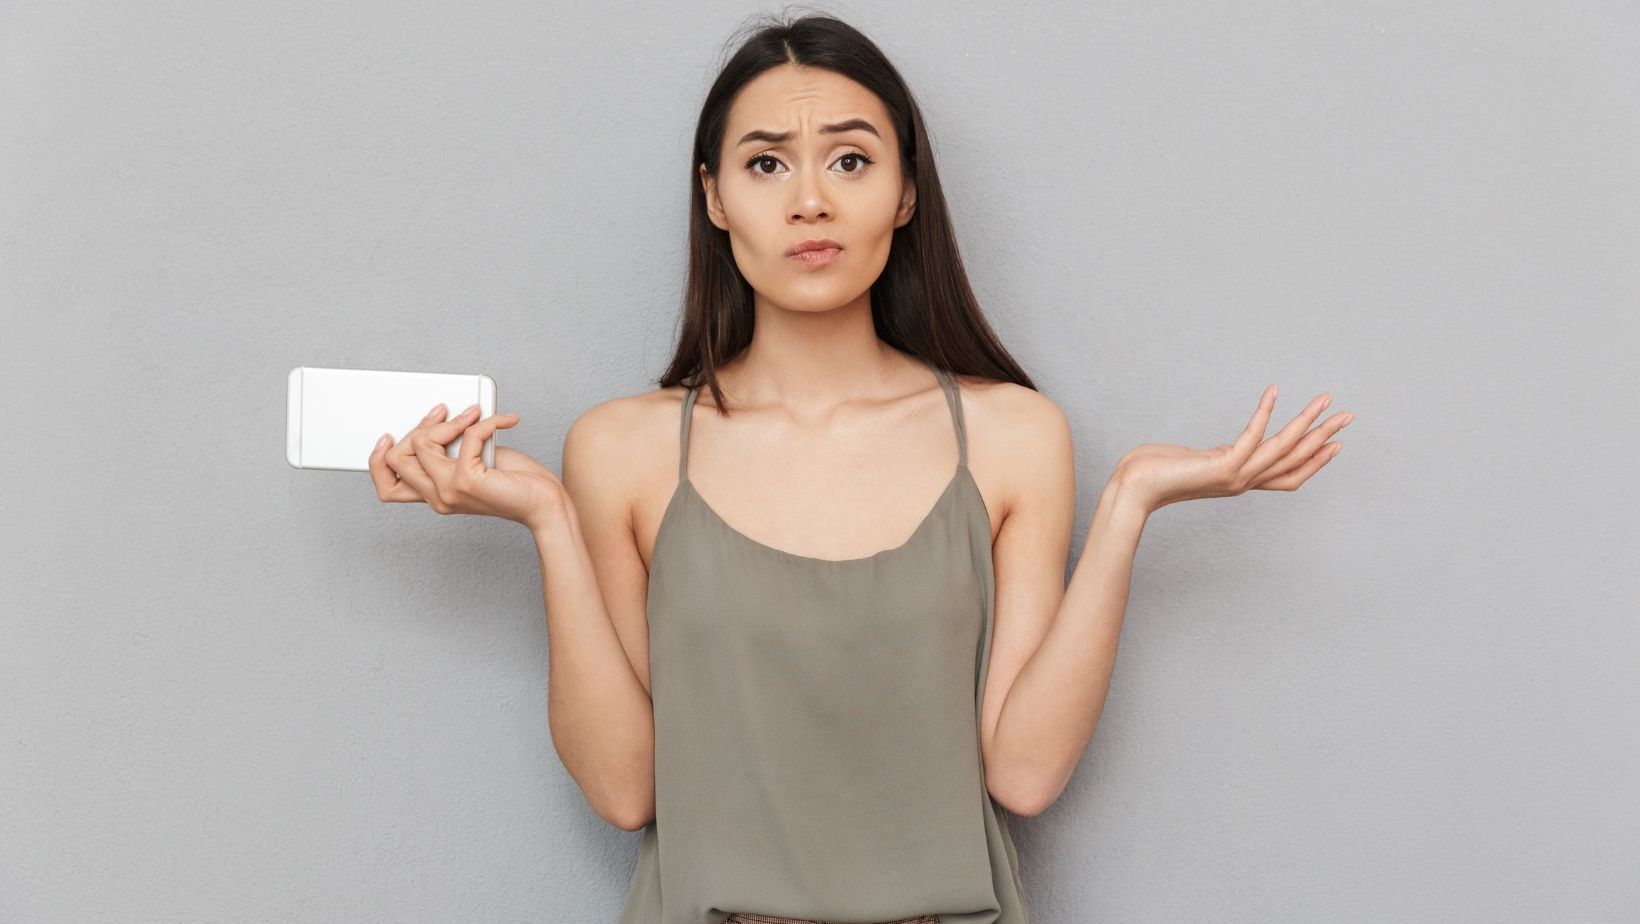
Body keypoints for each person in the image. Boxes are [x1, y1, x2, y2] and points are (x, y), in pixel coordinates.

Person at [366, 12, 1352, 924]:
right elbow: (624, 791)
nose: (810, 201)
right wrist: (546, 520)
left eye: (849, 159)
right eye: (765, 164)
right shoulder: (620, 449)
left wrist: (1130, 499)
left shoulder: (1013, 436)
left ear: (905, 190)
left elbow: (1023, 775)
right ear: (713, 197)